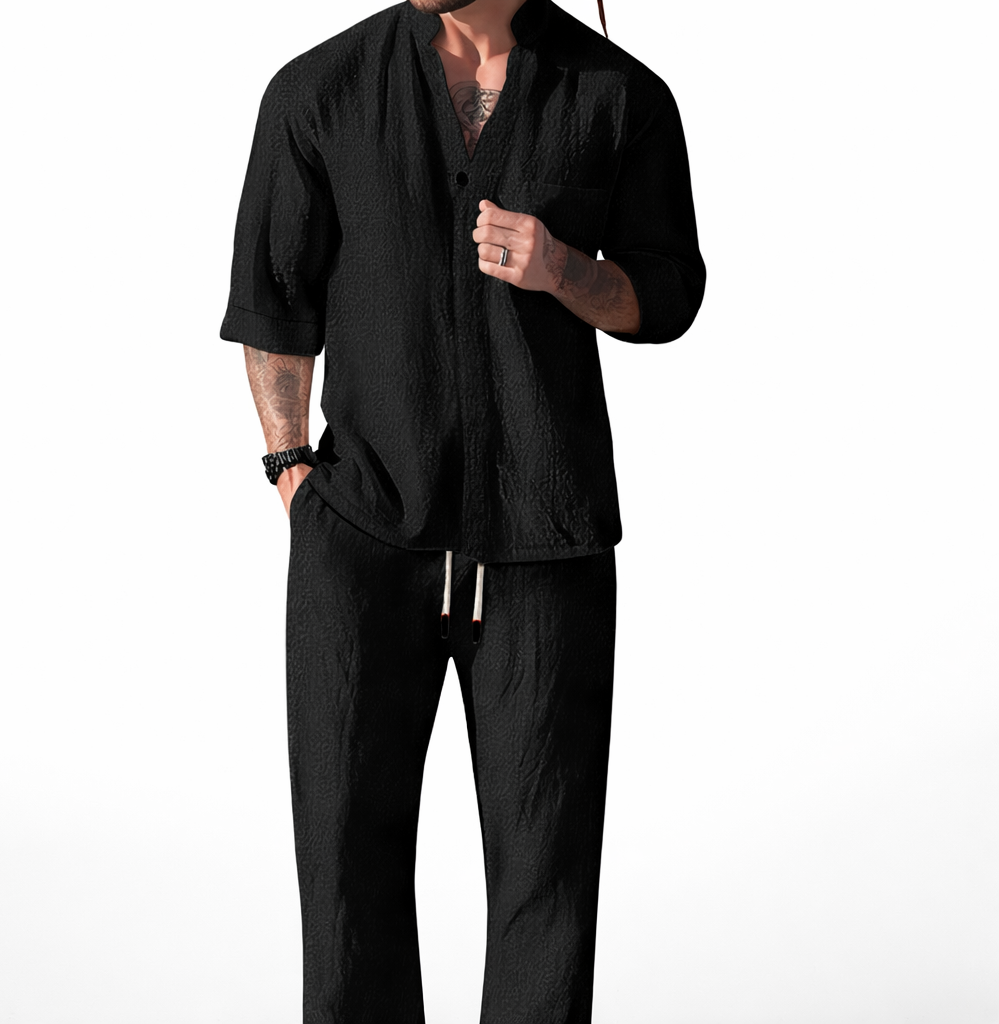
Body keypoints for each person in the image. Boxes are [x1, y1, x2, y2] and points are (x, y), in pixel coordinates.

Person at [219, 0, 705, 1019]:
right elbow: (275, 299)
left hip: (546, 539)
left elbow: (665, 296)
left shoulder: (617, 96)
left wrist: (563, 269)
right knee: (346, 881)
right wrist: (293, 473)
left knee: (548, 882)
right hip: (361, 536)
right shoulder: (318, 92)